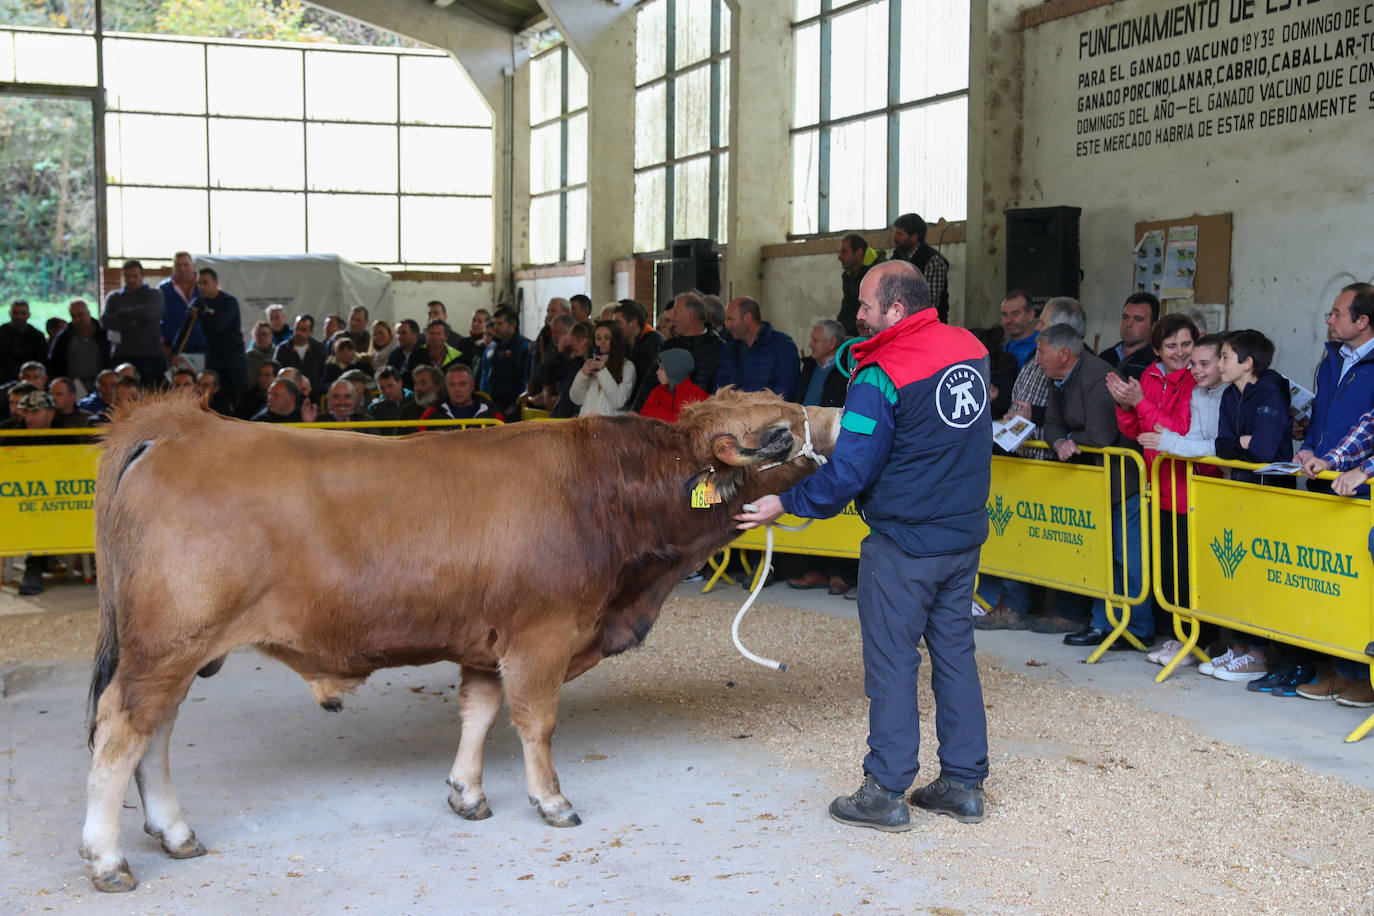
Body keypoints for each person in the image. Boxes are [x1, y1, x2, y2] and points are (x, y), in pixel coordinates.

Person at [736, 260, 991, 832]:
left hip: (904, 541)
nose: (859, 314)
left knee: (893, 663)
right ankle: (964, 783)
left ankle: (886, 789)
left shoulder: (882, 372)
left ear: (896, 309)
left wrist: (787, 502)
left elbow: (852, 468)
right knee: (955, 656)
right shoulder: (970, 347)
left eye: (866, 305)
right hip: (963, 536)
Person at [1039, 323, 1153, 650]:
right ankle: (1104, 623)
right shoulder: (1058, 376)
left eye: (1041, 351)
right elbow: (1052, 423)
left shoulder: (1098, 377)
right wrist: (1059, 440)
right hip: (1095, 485)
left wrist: (1069, 439)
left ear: (1064, 353)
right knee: (1101, 556)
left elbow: (1101, 437)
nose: (1037, 359)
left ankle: (1138, 629)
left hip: (1123, 485)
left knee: (1128, 560)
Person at [1108, 313, 1203, 637]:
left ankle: (1189, 638)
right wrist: (1125, 406)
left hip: (1187, 489)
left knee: (1186, 570)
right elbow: (1137, 431)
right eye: (1171, 345)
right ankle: (1170, 635)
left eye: (1187, 344)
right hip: (1155, 486)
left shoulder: (1197, 379)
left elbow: (1178, 431)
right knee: (1163, 567)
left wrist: (1141, 403)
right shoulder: (1149, 375)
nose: (1180, 352)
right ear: (1157, 349)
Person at [1297, 283, 1374, 496]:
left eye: (1337, 314)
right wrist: (1309, 447)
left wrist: (1363, 471)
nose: (1329, 320)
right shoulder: (1332, 360)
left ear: (1362, 322)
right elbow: (1367, 426)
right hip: (1323, 478)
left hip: (1361, 491)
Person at [1215, 329, 1294, 486]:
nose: (1218, 364)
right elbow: (1221, 447)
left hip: (1272, 488)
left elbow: (1262, 452)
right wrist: (1242, 443)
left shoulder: (1271, 395)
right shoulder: (1229, 394)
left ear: (1247, 363)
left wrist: (1234, 447)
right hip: (1240, 482)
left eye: (1225, 358)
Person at [714, 297, 800, 400]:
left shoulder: (783, 345)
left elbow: (786, 391)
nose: (727, 326)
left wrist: (747, 402)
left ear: (747, 318)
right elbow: (719, 389)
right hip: (734, 413)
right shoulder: (728, 348)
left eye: (730, 319)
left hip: (771, 414)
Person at [102, 260, 166, 386]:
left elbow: (151, 313)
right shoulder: (114, 298)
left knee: (151, 394)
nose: (131, 280)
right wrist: (133, 322)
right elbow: (105, 321)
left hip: (151, 356)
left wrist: (121, 313)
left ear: (142, 275)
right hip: (122, 356)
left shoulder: (154, 294)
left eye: (135, 276)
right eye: (127, 276)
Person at [186, 267, 246, 402]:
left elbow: (217, 325)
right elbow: (187, 322)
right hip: (213, 357)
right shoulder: (199, 302)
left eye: (205, 283)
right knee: (212, 398)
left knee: (236, 397)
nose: (201, 287)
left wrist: (202, 313)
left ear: (215, 282)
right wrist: (174, 350)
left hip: (233, 358)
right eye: (199, 283)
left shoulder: (229, 302)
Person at [889, 213, 950, 323]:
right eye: (895, 233)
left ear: (914, 237)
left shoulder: (933, 261)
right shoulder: (896, 258)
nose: (894, 238)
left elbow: (930, 303)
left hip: (926, 326)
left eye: (899, 234)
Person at [659, 293, 722, 393]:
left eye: (676, 313)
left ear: (690, 315)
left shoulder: (720, 348)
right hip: (670, 407)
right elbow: (651, 382)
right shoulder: (668, 347)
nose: (672, 319)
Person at [569, 321, 635, 417]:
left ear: (615, 339)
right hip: (586, 426)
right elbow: (576, 399)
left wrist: (602, 371)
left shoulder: (627, 366)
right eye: (598, 338)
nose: (602, 342)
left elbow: (618, 402)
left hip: (611, 427)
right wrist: (583, 374)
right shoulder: (590, 363)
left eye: (607, 338)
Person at [45, 299, 111, 394]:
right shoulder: (64, 337)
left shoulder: (104, 333)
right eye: (73, 316)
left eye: (80, 315)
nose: (77, 319)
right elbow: (54, 363)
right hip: (74, 386)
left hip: (102, 385)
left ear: (88, 313)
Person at [479, 306, 531, 418]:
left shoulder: (524, 347)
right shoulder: (490, 348)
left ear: (512, 325)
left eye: (500, 324)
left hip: (515, 409)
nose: (495, 328)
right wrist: (484, 401)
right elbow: (484, 377)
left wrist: (515, 405)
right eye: (494, 324)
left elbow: (526, 380)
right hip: (491, 408)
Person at [159, 251, 205, 372]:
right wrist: (163, 346)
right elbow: (156, 320)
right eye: (178, 265)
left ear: (193, 265)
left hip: (205, 350)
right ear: (173, 268)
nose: (182, 269)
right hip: (175, 353)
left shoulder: (205, 285)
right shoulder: (163, 290)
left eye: (186, 264)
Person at [614, 300, 664, 412]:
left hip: (648, 407)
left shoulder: (653, 341)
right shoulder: (624, 345)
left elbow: (650, 380)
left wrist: (636, 408)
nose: (615, 328)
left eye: (618, 323)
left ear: (633, 323)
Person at [1098, 292, 1159, 381]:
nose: (1128, 324)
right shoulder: (1105, 357)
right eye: (1125, 317)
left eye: (1138, 319)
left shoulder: (1157, 365)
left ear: (1153, 326)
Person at [638, 349, 707, 423]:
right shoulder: (658, 391)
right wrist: (678, 418)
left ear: (675, 370)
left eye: (662, 368)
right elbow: (645, 412)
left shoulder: (697, 395)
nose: (657, 372)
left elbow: (697, 423)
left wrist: (659, 413)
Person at [837, 233, 883, 337]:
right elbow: (847, 308)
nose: (839, 257)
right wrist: (837, 330)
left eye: (844, 252)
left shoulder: (878, 273)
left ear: (859, 252)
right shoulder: (847, 276)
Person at [796, 318, 848, 410]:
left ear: (832, 343)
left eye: (815, 341)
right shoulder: (809, 366)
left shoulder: (846, 370)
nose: (810, 345)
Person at [422, 363, 493, 424]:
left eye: (462, 384)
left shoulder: (492, 413)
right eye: (452, 385)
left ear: (472, 386)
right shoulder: (432, 413)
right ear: (446, 387)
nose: (457, 389)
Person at [0, 301, 49, 387]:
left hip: (30, 383)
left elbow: (42, 362)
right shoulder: (1, 333)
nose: (19, 316)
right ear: (10, 314)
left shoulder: (37, 336)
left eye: (22, 313)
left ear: (28, 315)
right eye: (15, 313)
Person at [274, 314, 327, 394]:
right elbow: (276, 373)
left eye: (303, 330)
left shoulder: (320, 349)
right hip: (289, 393)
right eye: (297, 329)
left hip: (314, 394)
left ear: (311, 332)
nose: (299, 332)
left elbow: (325, 373)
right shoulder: (282, 349)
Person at [367, 366, 422, 432]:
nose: (387, 391)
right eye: (382, 388)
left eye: (390, 386)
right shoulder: (374, 408)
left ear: (400, 383)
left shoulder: (416, 401)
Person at [1000, 290, 1039, 369]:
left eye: (1015, 314)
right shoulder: (1000, 350)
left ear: (1031, 315)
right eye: (1005, 314)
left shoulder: (1042, 347)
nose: (1009, 320)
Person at [533, 298, 570, 368]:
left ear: (567, 312)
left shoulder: (573, 335)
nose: (549, 315)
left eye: (553, 311)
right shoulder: (544, 332)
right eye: (548, 311)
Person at [243, 321, 277, 386]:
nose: (262, 337)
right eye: (258, 334)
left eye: (265, 334)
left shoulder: (278, 354)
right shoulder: (246, 357)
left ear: (271, 336)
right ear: (253, 337)